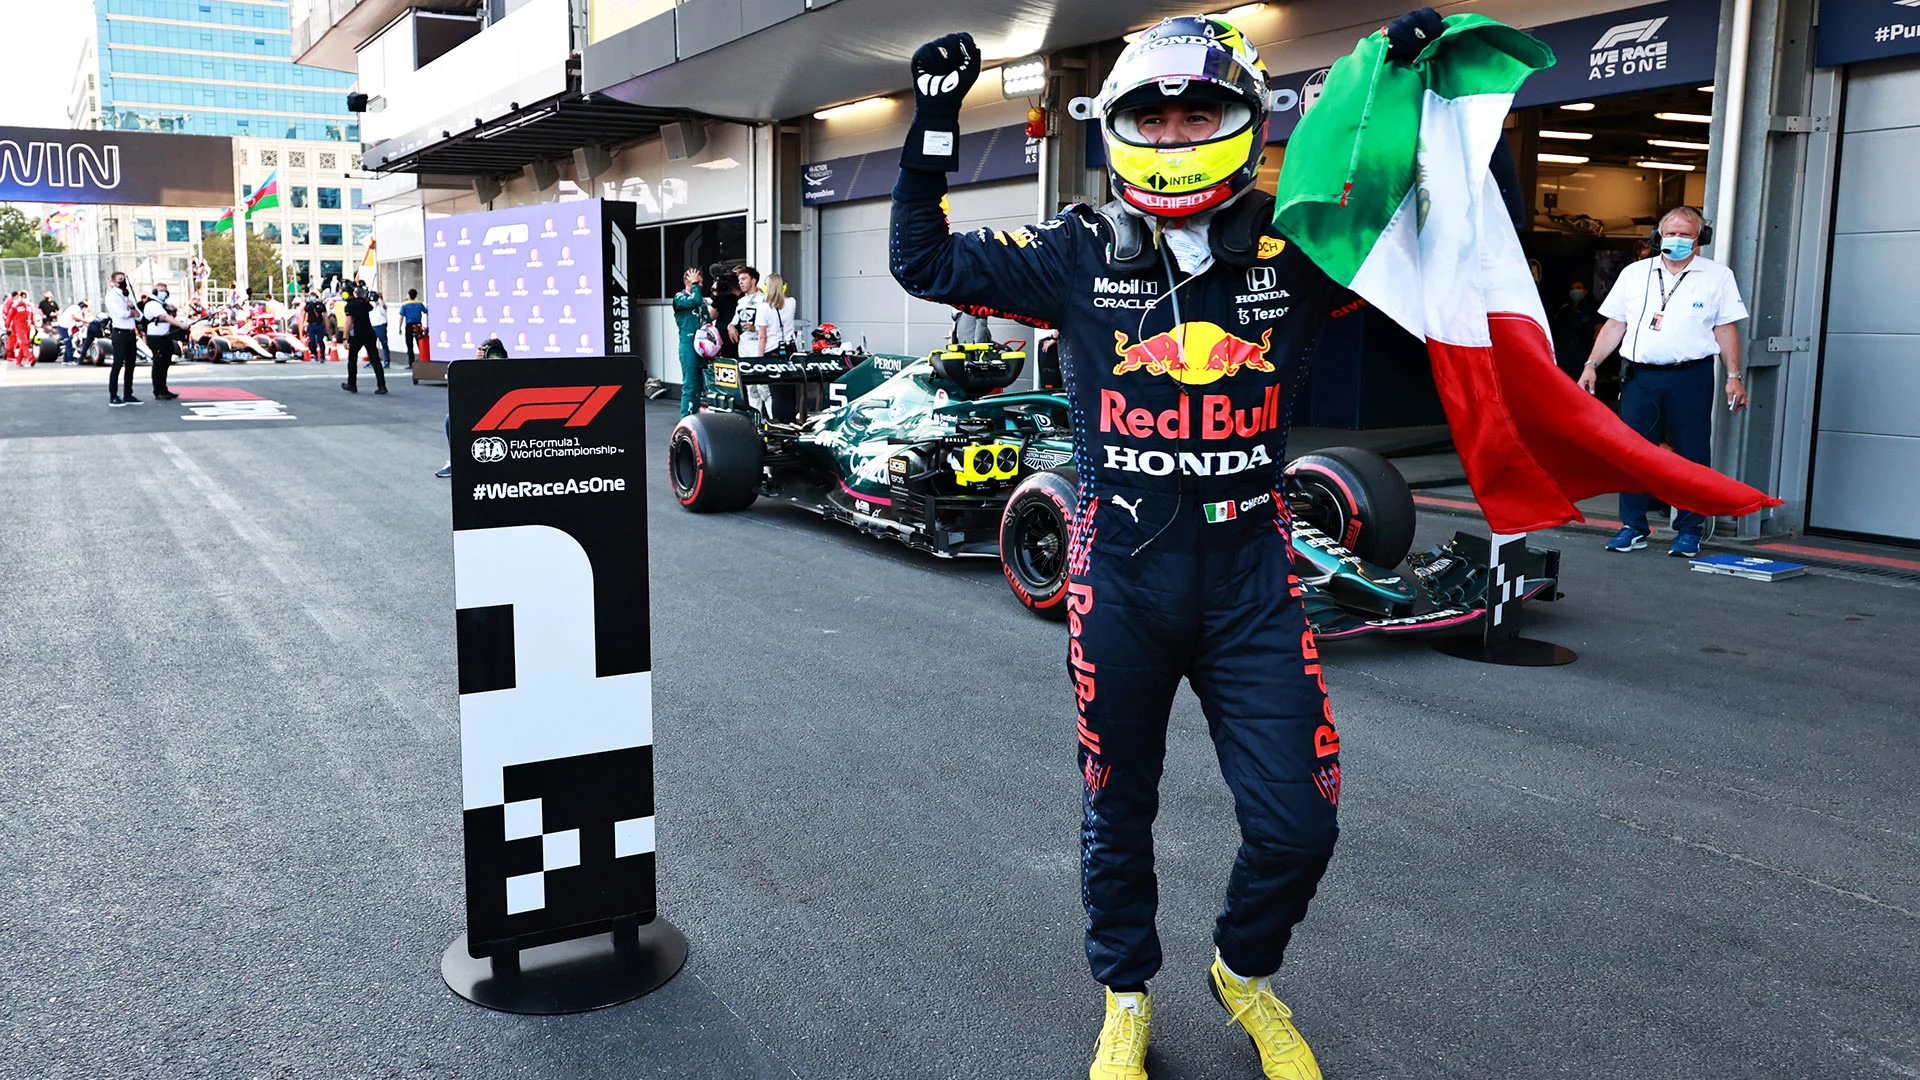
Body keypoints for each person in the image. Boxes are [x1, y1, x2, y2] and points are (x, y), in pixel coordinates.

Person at [889, 14, 1442, 1077]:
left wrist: (1399, 77)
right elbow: (920, 258)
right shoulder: (1075, 251)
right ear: (1119, 130)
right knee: (1117, 811)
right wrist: (934, 124)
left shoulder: (1299, 252)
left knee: (1298, 830)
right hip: (1122, 581)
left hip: (1254, 584)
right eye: (1155, 114)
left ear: (1245, 122)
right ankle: (1125, 995)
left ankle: (1244, 973)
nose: (1179, 133)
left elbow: (1406, 203)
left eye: (1201, 112)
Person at [1579, 205, 1749, 558]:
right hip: (1641, 376)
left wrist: (1734, 376)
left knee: (1692, 453)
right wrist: (1592, 364)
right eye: (1670, 233)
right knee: (1633, 453)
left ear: (1700, 239)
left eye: (1686, 234)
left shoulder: (1717, 276)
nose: (1677, 239)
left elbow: (1725, 328)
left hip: (1691, 375)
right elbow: (1615, 324)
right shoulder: (1635, 273)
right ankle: (1633, 526)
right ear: (1658, 236)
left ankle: (1689, 529)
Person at [761, 272, 801, 420]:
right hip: (790, 349)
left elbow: (762, 336)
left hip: (772, 350)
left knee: (776, 392)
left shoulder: (763, 308)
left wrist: (759, 358)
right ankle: (791, 420)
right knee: (789, 390)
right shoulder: (792, 302)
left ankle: (779, 424)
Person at [141, 283, 189, 400]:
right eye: (161, 290)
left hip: (165, 336)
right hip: (156, 338)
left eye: (165, 291)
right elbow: (164, 317)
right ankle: (158, 390)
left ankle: (163, 389)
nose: (164, 293)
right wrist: (181, 325)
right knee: (159, 364)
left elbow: (169, 316)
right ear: (155, 292)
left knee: (165, 364)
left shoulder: (162, 305)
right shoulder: (153, 304)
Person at [340, 283, 388, 394]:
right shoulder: (363, 303)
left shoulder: (349, 306)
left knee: (352, 359)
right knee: (375, 360)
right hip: (369, 333)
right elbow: (370, 306)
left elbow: (348, 322)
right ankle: (382, 386)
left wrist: (344, 338)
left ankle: (352, 384)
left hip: (357, 334)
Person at [1549, 280, 1602, 380]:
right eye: (1572, 289)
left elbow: (1599, 329)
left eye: (1578, 288)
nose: (1574, 291)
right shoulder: (1565, 309)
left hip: (1585, 353)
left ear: (1585, 291)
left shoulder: (1592, 309)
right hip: (1566, 354)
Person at [671, 267, 706, 416]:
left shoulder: (701, 302)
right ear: (688, 282)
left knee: (700, 385)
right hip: (688, 345)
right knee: (690, 384)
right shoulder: (679, 298)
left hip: (703, 345)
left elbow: (707, 321)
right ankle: (685, 418)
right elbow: (695, 300)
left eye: (701, 283)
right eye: (697, 282)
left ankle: (697, 415)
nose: (700, 285)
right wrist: (695, 285)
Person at [103, 271, 141, 406]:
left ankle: (128, 394)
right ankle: (113, 395)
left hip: (131, 332)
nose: (123, 282)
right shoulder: (112, 296)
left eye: (124, 279)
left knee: (131, 364)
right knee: (118, 363)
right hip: (119, 333)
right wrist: (131, 311)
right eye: (120, 280)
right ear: (113, 282)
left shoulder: (127, 296)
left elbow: (139, 315)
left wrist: (132, 309)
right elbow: (121, 314)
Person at [706, 262, 740, 359]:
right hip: (726, 337)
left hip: (738, 338)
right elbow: (711, 316)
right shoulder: (722, 296)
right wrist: (717, 293)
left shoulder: (745, 299)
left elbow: (710, 316)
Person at [399, 288, 428, 366]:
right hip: (418, 325)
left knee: (409, 344)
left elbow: (401, 317)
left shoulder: (405, 305)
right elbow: (426, 311)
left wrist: (399, 327)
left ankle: (411, 362)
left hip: (409, 325)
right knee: (420, 343)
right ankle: (422, 359)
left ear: (409, 295)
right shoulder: (419, 304)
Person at [368, 290, 392, 368]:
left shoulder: (382, 305)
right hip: (372, 326)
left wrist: (379, 298)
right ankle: (373, 361)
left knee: (384, 343)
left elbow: (384, 306)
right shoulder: (371, 305)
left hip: (381, 325)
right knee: (372, 345)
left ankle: (386, 361)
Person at [303, 290, 329, 361]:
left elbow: (325, 315)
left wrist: (327, 325)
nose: (312, 297)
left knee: (320, 340)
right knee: (312, 341)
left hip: (319, 324)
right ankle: (314, 354)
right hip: (311, 325)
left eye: (313, 295)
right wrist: (303, 324)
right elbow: (305, 314)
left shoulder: (321, 304)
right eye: (311, 296)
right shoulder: (308, 305)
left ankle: (322, 356)